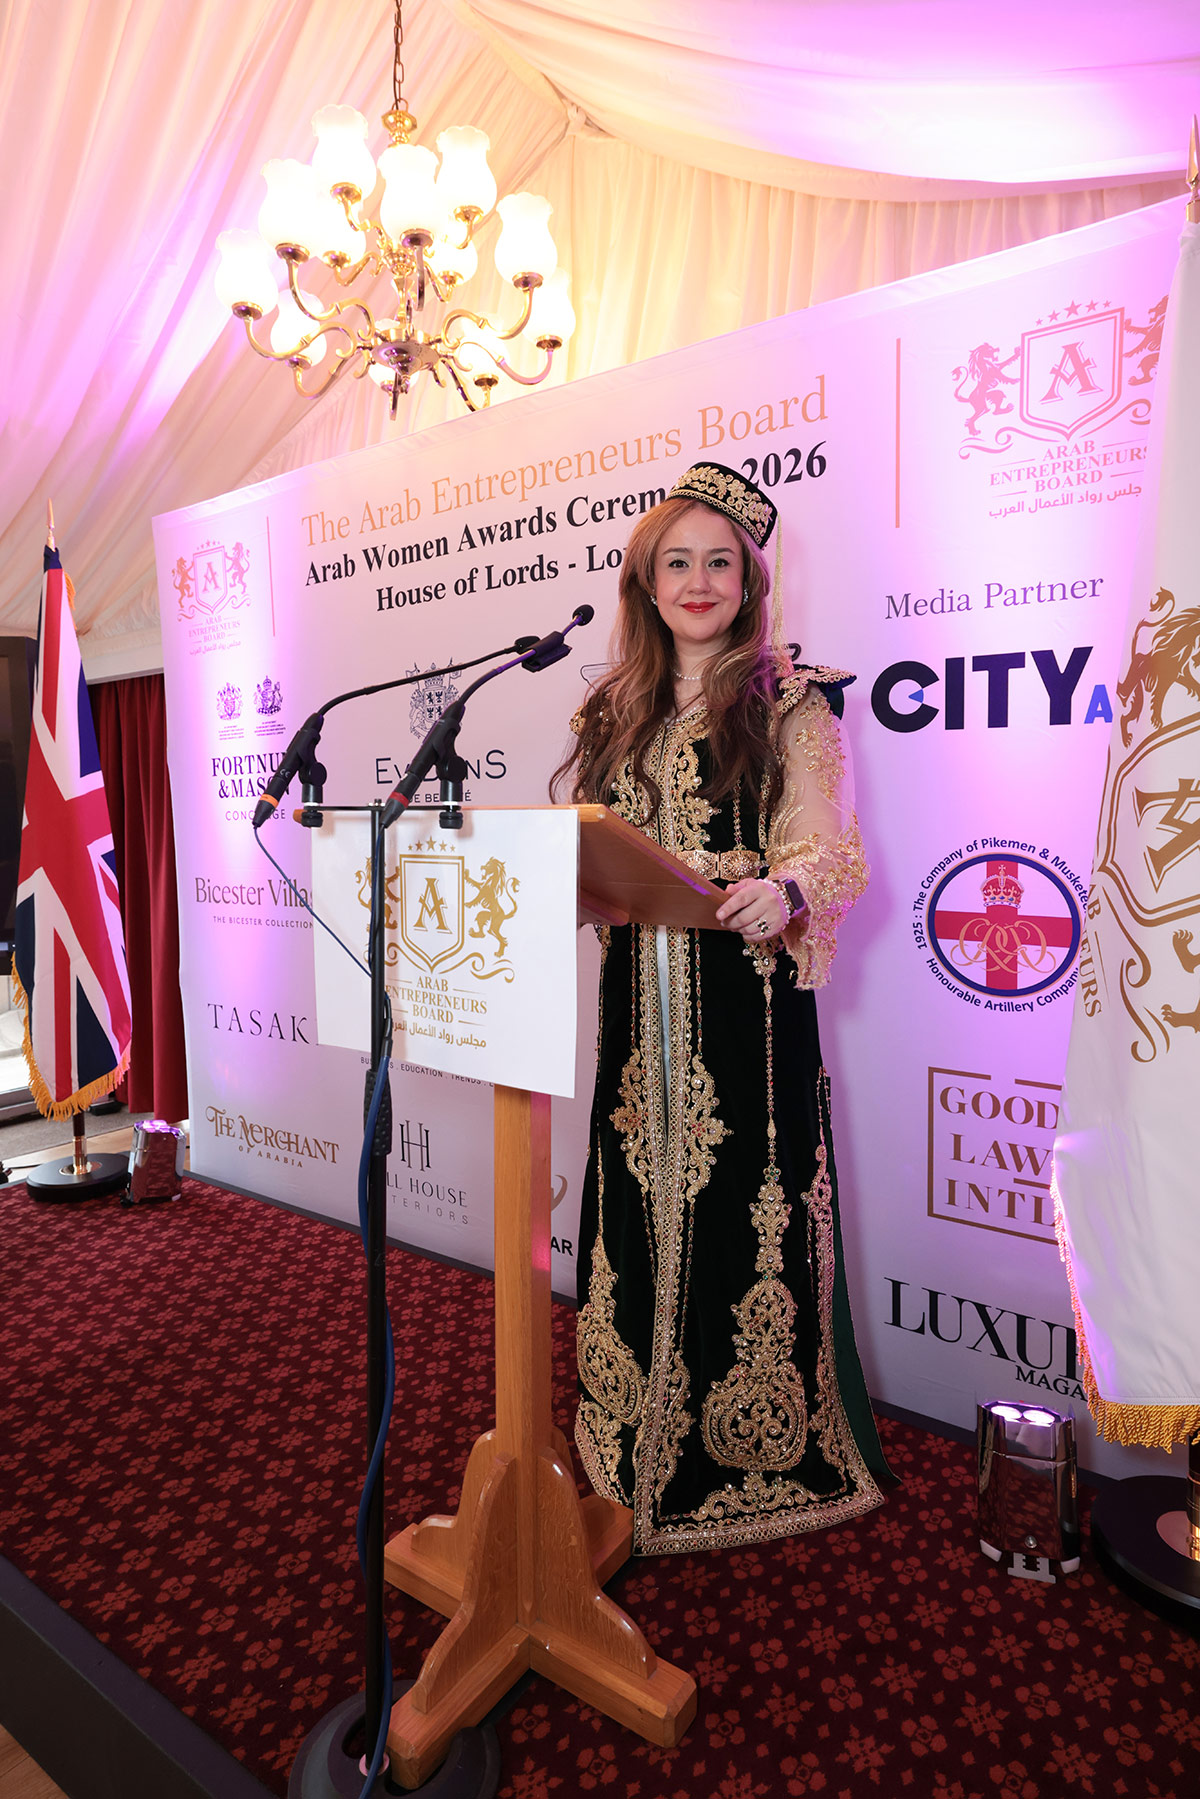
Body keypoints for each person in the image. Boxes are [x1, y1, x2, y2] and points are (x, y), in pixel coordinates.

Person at [556, 462, 889, 1555]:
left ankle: (741, 1449)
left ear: (749, 581)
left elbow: (832, 845)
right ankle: (630, 1420)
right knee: (632, 1189)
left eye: (718, 563)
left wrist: (786, 889)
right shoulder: (611, 707)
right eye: (676, 563)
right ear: (646, 584)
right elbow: (596, 841)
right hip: (635, 1002)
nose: (697, 582)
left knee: (745, 1200)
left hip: (746, 1004)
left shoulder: (791, 698)